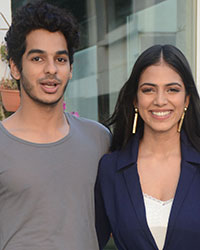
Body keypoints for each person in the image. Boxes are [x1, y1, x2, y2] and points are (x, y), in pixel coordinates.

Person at [0, 1, 110, 250]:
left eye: (60, 59)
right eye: (37, 58)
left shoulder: (99, 139)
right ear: (16, 67)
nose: (51, 69)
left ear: (71, 69)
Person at [95, 44, 200, 250]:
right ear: (135, 99)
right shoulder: (110, 168)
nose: (160, 101)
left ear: (186, 98)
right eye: (149, 90)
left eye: (172, 89)